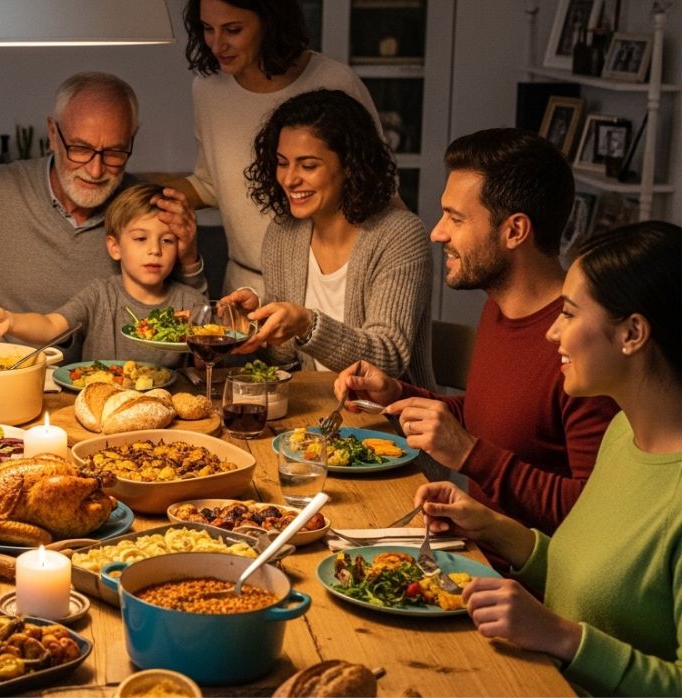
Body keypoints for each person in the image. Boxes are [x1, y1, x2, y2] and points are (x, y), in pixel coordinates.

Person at [414, 221, 682, 696]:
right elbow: (584, 578)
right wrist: (489, 525)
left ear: (633, 333)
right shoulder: (623, 433)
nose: (552, 332)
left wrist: (560, 637)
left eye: (570, 314)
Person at [334, 128, 618, 535]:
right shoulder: (499, 307)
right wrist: (398, 396)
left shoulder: (582, 342)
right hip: (473, 551)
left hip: (522, 586)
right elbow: (502, 421)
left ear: (515, 231)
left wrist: (468, 454)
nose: (437, 232)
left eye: (456, 218)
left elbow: (593, 518)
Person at [0, 72, 205, 335]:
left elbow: (194, 319)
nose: (95, 170)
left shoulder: (146, 208)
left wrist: (189, 258)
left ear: (133, 138)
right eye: (80, 148)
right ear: (53, 134)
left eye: (115, 152)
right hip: (6, 378)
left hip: (118, 383)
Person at [220, 89, 434, 389]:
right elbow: (286, 362)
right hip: (313, 413)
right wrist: (258, 321)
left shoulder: (400, 235)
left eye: (308, 165)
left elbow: (388, 358)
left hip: (391, 421)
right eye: (282, 162)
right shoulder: (284, 235)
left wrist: (307, 323)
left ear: (350, 165)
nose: (290, 179)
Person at [167, 0, 381, 295]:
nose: (217, 44)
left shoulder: (333, 81)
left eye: (233, 30)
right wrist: (145, 198)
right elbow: (212, 183)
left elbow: (376, 185)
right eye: (207, 29)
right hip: (244, 286)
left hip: (325, 289)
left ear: (270, 23)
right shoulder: (207, 89)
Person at [0, 183, 207, 366]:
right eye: (140, 239)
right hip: (99, 402)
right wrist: (11, 320)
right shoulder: (100, 295)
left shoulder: (190, 302)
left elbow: (207, 363)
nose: (155, 250)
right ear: (115, 247)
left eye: (167, 241)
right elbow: (51, 325)